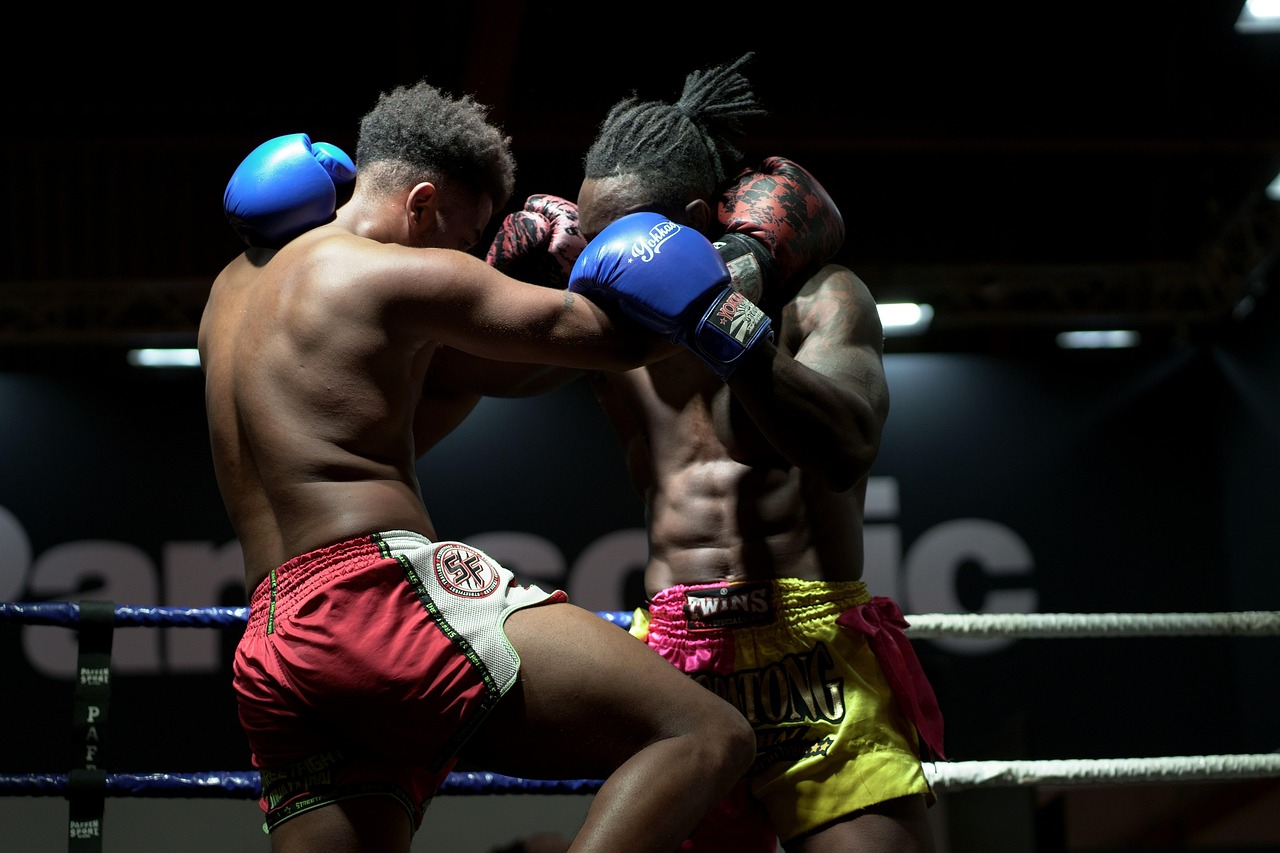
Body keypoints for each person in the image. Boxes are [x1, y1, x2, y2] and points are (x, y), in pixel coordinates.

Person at [200, 78, 757, 853]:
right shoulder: (391, 271)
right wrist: (746, 255)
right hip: (371, 598)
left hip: (275, 639)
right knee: (705, 734)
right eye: (464, 238)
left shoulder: (232, 288)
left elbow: (452, 388)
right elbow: (625, 338)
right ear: (420, 203)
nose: (469, 260)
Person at [568, 53, 946, 852]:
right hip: (675, 658)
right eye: (593, 242)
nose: (605, 264)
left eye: (627, 241)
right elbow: (452, 363)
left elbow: (844, 448)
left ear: (700, 220)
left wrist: (719, 318)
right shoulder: (601, 328)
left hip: (815, 656)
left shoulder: (823, 300)